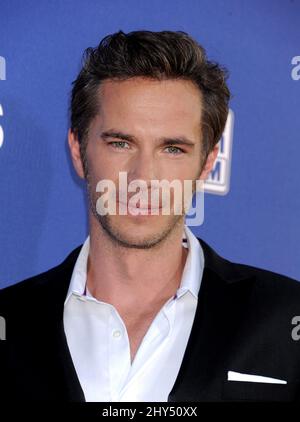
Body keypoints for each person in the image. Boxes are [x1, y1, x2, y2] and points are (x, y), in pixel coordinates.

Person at [0, 30, 299, 402]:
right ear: (78, 151)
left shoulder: (286, 319)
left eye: (172, 148)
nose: (143, 178)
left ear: (206, 163)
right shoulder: (8, 322)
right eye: (121, 143)